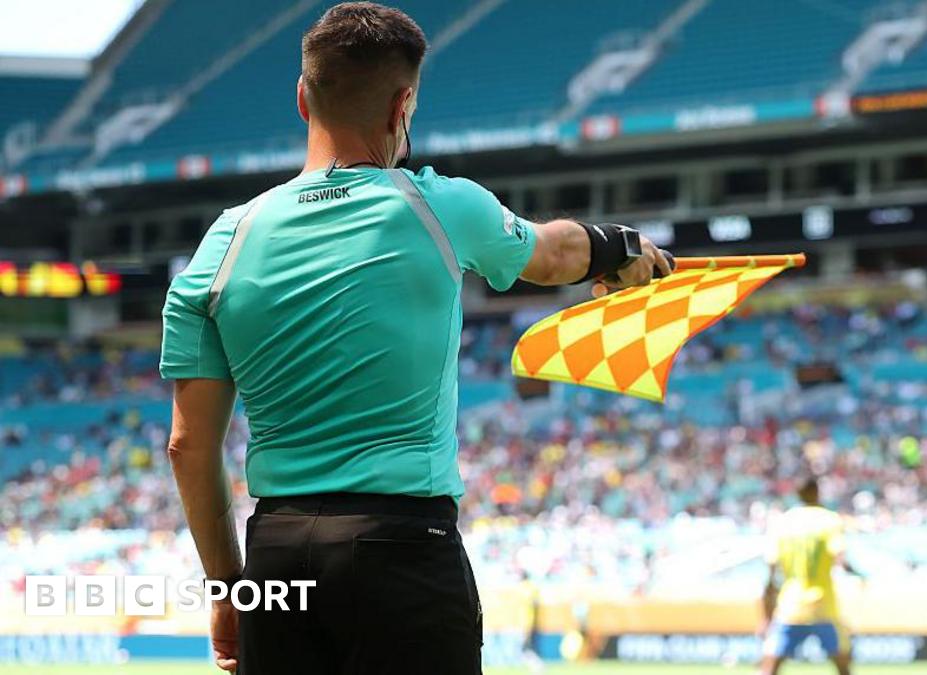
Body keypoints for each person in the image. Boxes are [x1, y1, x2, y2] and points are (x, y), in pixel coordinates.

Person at [159, 3, 673, 674]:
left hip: (276, 554)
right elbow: (552, 255)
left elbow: (188, 444)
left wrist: (231, 590)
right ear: (404, 104)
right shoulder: (437, 203)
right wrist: (624, 248)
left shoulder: (222, 244)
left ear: (302, 97)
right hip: (401, 550)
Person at [760, 478, 852, 675]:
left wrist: (766, 615)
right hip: (824, 605)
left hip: (790, 605)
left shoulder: (783, 522)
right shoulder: (829, 520)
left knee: (770, 667)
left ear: (797, 494)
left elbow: (770, 572)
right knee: (843, 667)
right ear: (818, 492)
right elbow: (840, 557)